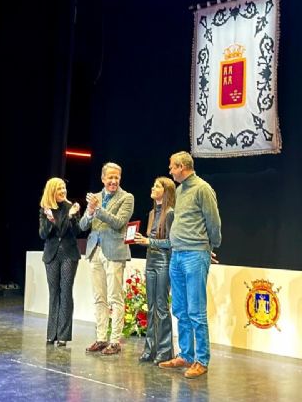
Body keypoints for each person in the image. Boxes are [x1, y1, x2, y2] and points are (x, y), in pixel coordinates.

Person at [158, 151, 221, 378]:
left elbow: (213, 221)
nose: (170, 171)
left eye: (172, 167)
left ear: (182, 166)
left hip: (195, 254)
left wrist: (210, 246)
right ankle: (186, 355)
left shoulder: (202, 188)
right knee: (180, 309)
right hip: (177, 255)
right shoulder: (181, 189)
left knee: (196, 311)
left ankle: (201, 360)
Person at [79, 162, 135, 355]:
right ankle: (101, 338)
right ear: (102, 179)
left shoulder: (127, 197)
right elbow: (83, 225)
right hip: (95, 250)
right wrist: (90, 211)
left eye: (116, 177)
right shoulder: (96, 197)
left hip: (114, 251)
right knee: (99, 298)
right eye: (109, 177)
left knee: (115, 298)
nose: (113, 181)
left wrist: (99, 210)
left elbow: (119, 223)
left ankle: (115, 341)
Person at [133, 177, 176, 365]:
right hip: (150, 261)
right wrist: (142, 239)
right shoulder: (152, 213)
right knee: (150, 307)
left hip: (164, 262)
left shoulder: (171, 213)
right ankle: (150, 348)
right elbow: (152, 238)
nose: (153, 188)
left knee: (161, 307)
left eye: (157, 186)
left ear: (165, 191)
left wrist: (150, 241)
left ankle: (165, 350)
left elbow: (172, 242)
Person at [39, 177, 81, 347]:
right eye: (59, 189)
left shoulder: (72, 208)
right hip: (51, 255)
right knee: (54, 292)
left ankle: (63, 335)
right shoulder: (45, 209)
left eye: (64, 188)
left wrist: (71, 217)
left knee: (65, 292)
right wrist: (50, 221)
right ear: (52, 191)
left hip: (69, 254)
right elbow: (43, 234)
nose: (63, 192)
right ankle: (51, 333)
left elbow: (76, 231)